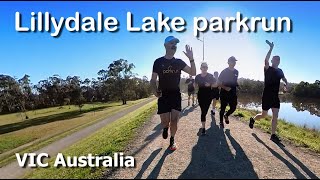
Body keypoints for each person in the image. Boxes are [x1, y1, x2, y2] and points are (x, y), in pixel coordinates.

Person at [150, 36, 196, 151]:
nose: (174, 45)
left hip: (175, 94)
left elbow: (193, 72)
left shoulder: (179, 62)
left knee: (174, 120)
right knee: (165, 122)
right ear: (165, 45)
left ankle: (172, 140)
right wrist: (155, 91)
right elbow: (153, 79)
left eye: (175, 43)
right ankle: (165, 128)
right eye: (171, 43)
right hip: (163, 95)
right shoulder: (158, 62)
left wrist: (191, 58)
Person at [249, 40, 288, 143]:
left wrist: (285, 84)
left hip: (275, 97)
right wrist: (271, 48)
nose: (277, 61)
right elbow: (265, 60)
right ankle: (253, 119)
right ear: (272, 61)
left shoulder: (280, 71)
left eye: (278, 60)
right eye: (275, 59)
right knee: (264, 115)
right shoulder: (267, 68)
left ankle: (273, 135)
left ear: (279, 62)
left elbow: (284, 78)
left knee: (275, 116)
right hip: (266, 95)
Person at [195, 62, 216, 135]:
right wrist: (194, 86)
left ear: (207, 68)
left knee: (205, 111)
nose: (204, 68)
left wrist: (210, 84)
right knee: (203, 111)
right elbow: (195, 85)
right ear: (201, 68)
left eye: (206, 67)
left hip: (208, 96)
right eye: (203, 67)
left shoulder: (210, 76)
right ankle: (203, 128)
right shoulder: (197, 76)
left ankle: (203, 122)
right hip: (200, 95)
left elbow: (215, 84)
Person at [218, 56, 239, 128]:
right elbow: (218, 82)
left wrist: (238, 85)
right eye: (233, 61)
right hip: (224, 93)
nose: (234, 63)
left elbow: (235, 81)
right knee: (223, 108)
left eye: (235, 61)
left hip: (233, 93)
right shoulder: (224, 71)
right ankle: (221, 122)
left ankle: (226, 115)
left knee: (233, 108)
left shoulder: (236, 72)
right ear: (228, 62)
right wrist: (225, 87)